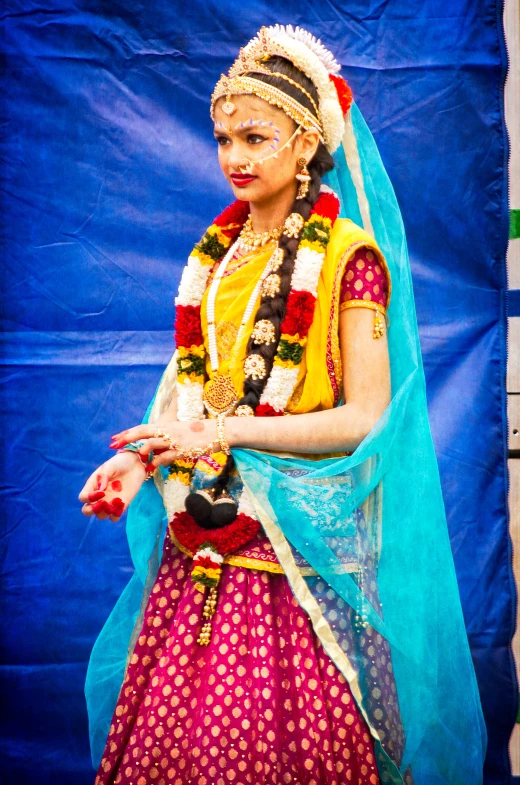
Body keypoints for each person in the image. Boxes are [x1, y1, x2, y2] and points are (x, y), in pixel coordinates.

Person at [79, 25, 486, 785]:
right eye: (224, 138)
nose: (234, 156)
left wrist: (221, 432)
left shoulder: (348, 259)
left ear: (305, 143)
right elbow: (194, 391)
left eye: (255, 137)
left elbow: (365, 417)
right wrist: (138, 461)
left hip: (300, 569)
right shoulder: (217, 259)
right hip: (201, 555)